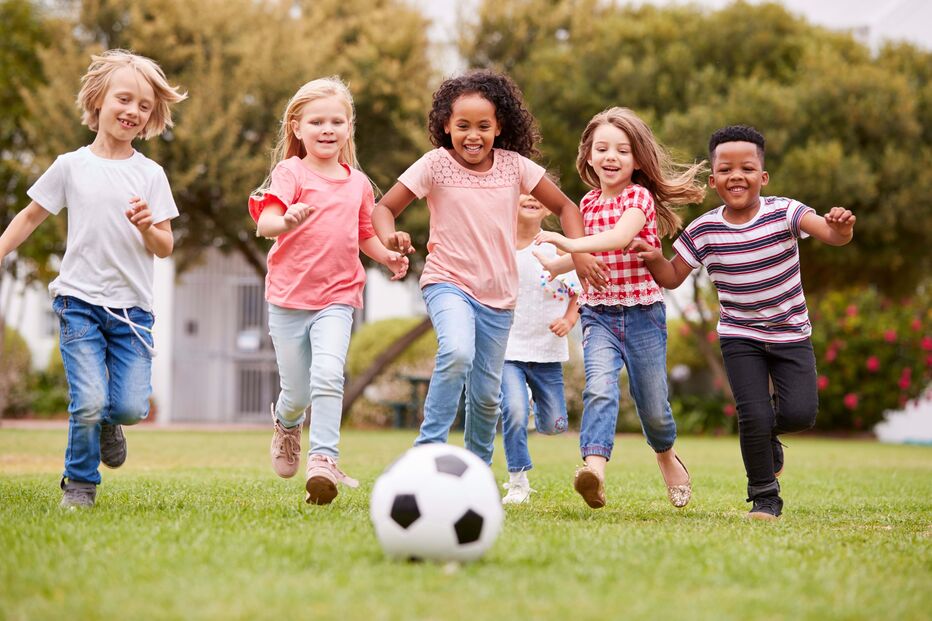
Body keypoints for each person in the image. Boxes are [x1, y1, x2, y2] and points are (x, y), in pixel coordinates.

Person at [371, 70, 607, 464]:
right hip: (447, 281)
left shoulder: (515, 167)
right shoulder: (434, 165)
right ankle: (427, 452)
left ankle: (477, 469)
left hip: (498, 296)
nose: (472, 135)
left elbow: (567, 206)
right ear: (446, 125)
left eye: (484, 126)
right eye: (462, 125)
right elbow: (384, 208)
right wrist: (389, 238)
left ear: (499, 127)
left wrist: (580, 252)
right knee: (457, 351)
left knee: (485, 395)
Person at [629, 124, 856, 520]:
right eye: (727, 169)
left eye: (748, 168)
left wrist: (841, 229)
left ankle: (769, 436)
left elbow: (830, 235)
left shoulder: (785, 212)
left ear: (763, 177)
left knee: (802, 414)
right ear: (714, 179)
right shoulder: (704, 230)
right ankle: (765, 497)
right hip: (740, 337)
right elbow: (672, 277)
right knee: (752, 414)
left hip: (790, 333)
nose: (737, 176)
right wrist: (652, 258)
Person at [0, 50, 187, 508]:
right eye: (125, 99)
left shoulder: (150, 174)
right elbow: (29, 217)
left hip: (132, 312)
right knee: (86, 401)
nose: (133, 111)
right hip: (78, 303)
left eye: (144, 106)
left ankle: (111, 423)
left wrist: (147, 226)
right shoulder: (70, 165)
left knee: (127, 407)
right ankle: (80, 483)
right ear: (98, 100)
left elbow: (165, 246)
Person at [536, 107, 705, 509]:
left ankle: (666, 457)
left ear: (637, 160)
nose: (611, 157)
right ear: (589, 156)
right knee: (599, 389)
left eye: (623, 150)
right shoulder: (588, 204)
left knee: (654, 407)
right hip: (599, 314)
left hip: (643, 313)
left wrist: (568, 245)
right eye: (603, 148)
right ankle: (594, 471)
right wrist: (556, 263)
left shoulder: (639, 198)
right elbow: (589, 258)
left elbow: (618, 238)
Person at [248, 77, 408, 505]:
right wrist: (287, 221)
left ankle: (323, 460)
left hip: (338, 296)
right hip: (287, 298)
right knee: (297, 391)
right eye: (317, 121)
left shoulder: (357, 182)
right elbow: (265, 224)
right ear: (297, 128)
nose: (327, 129)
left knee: (328, 374)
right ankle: (286, 424)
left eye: (337, 121)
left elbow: (363, 235)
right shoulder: (290, 172)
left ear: (349, 128)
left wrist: (387, 256)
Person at [499, 193, 581, 504]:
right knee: (514, 411)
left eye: (538, 196)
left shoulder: (555, 248)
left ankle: (531, 407)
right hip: (508, 349)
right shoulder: (499, 246)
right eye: (523, 194)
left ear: (547, 206)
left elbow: (576, 293)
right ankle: (518, 481)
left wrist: (569, 320)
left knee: (555, 424)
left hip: (547, 352)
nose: (532, 198)